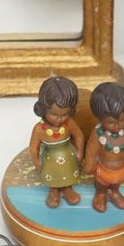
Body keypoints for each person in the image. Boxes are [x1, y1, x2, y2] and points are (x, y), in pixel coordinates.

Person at [28, 76, 85, 208]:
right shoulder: (39, 129)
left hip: (68, 157)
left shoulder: (69, 123)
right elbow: (33, 148)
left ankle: (67, 189)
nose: (59, 119)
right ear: (44, 109)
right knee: (53, 176)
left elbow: (79, 136)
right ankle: (54, 191)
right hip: (49, 160)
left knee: (67, 174)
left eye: (65, 114)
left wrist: (79, 153)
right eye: (54, 114)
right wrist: (37, 162)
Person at [82, 82, 124, 212]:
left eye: (121, 120)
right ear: (100, 118)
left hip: (121, 168)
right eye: (111, 122)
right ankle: (100, 194)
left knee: (116, 183)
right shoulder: (98, 134)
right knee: (102, 183)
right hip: (103, 168)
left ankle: (115, 192)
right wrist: (89, 164)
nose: (117, 126)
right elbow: (91, 152)